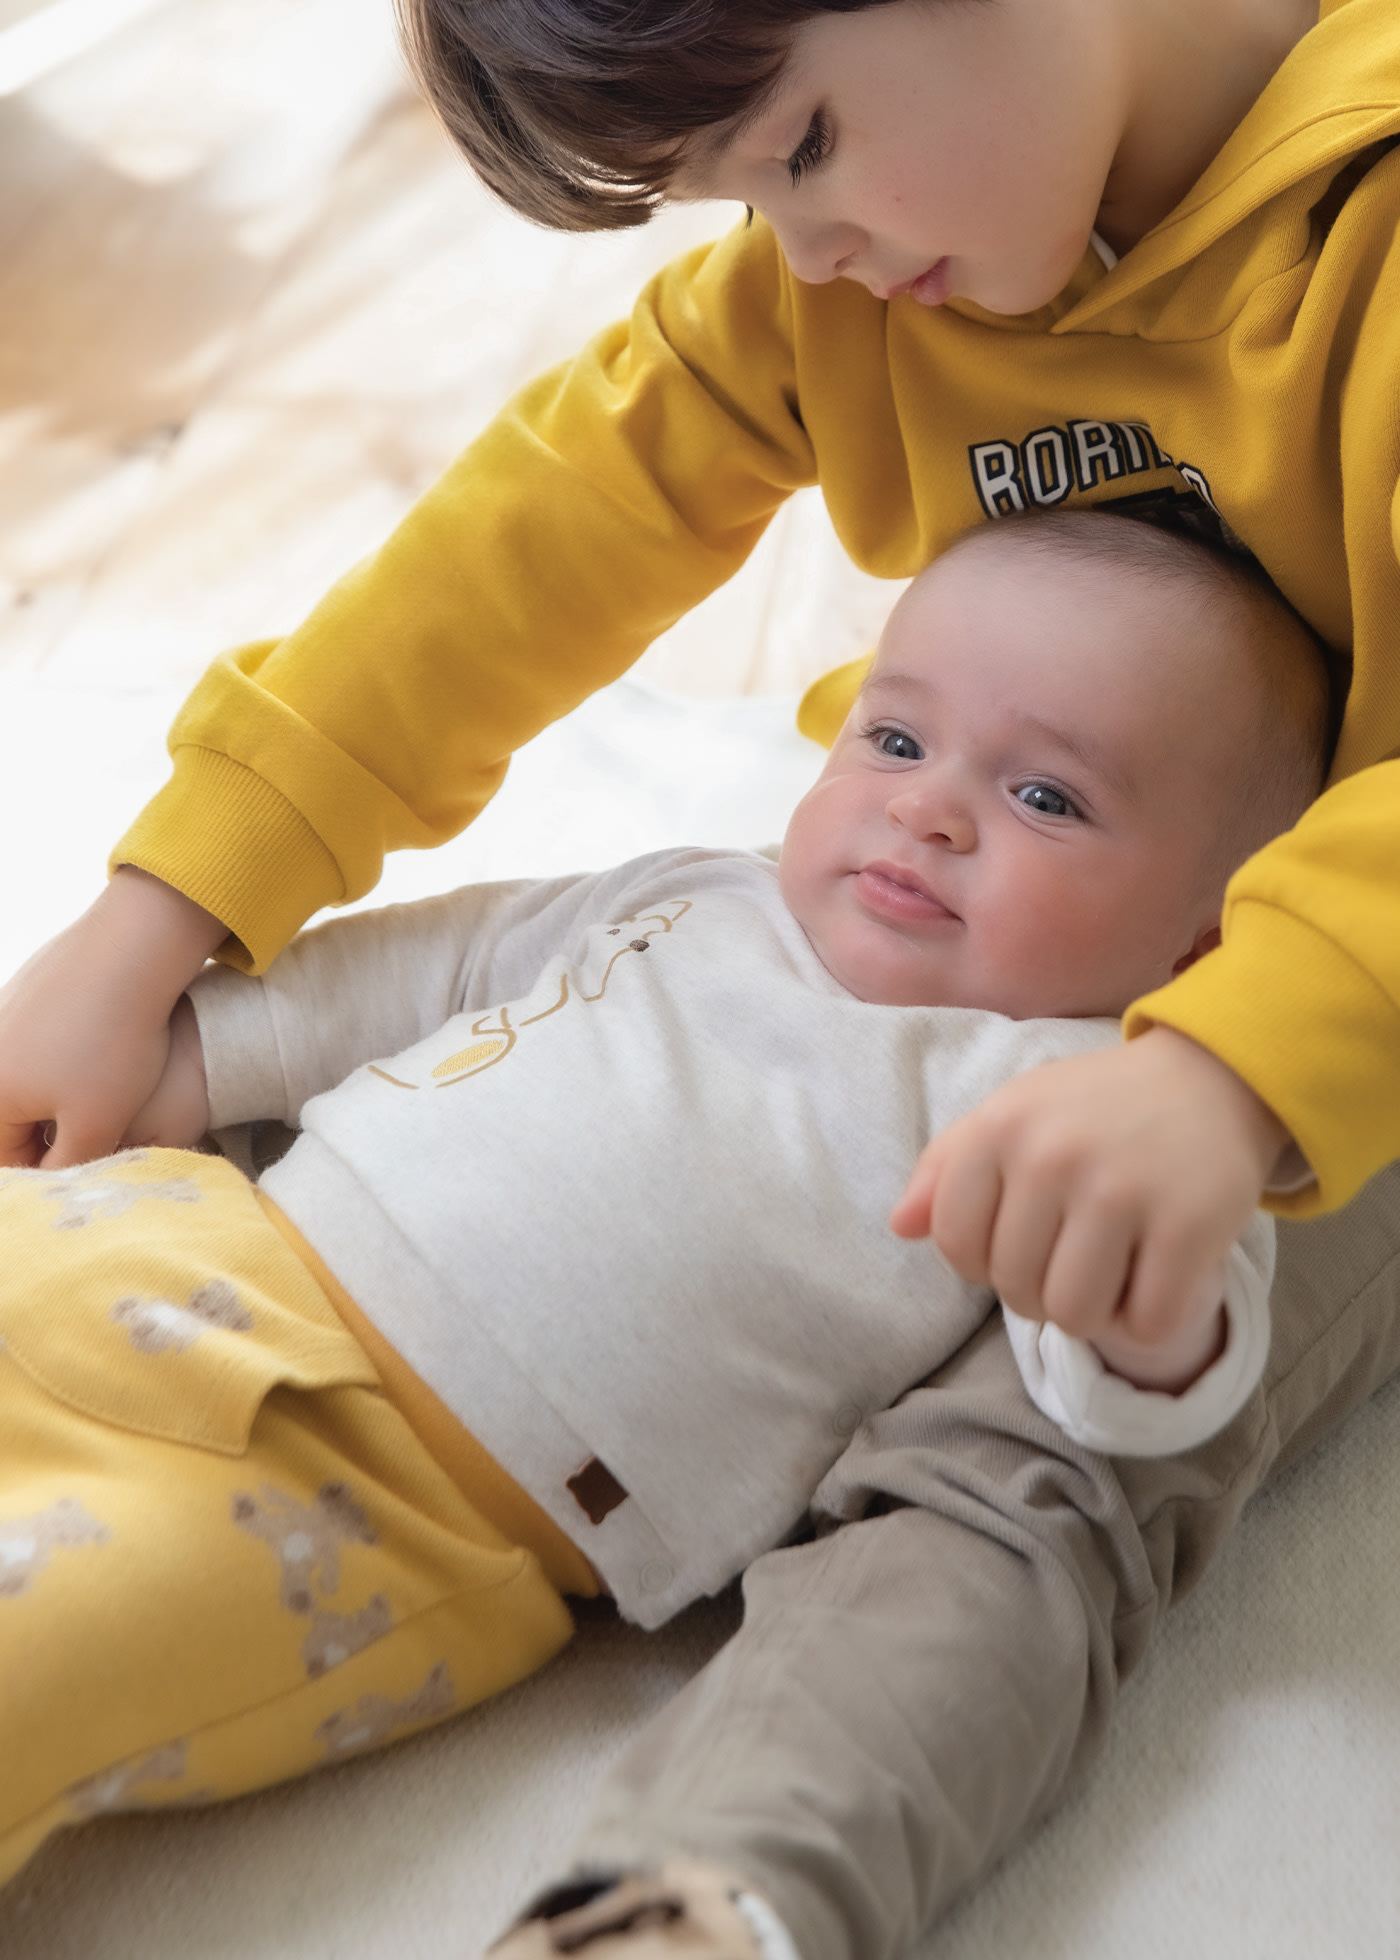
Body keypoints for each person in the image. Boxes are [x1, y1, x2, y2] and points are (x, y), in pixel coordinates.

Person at [2, 0, 1398, 1950]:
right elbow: (526, 539)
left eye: (803, 142)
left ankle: (712, 1890)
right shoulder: (852, 275)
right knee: (649, 991)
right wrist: (160, 910)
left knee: (1028, 1477)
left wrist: (1223, 1072)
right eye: (732, 189)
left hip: (1333, 1024)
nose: (795, 245)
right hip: (1001, 907)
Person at [0, 513, 1323, 1899]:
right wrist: (182, 1062)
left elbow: (1139, 1371)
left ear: (1205, 937)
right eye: (894, 739)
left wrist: (1152, 1303)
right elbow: (420, 972)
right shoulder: (708, 894)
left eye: (1046, 797)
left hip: (367, 1506)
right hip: (187, 1235)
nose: (927, 807)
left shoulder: (1077, 1089)